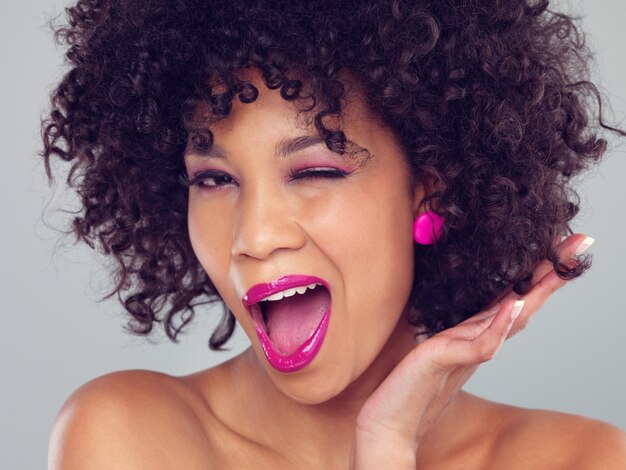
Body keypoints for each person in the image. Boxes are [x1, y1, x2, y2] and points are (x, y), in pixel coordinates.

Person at [43, 0, 626, 468]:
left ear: (430, 189)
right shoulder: (128, 437)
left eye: (317, 171)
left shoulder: (583, 458)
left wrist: (388, 442)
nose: (256, 236)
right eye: (215, 179)